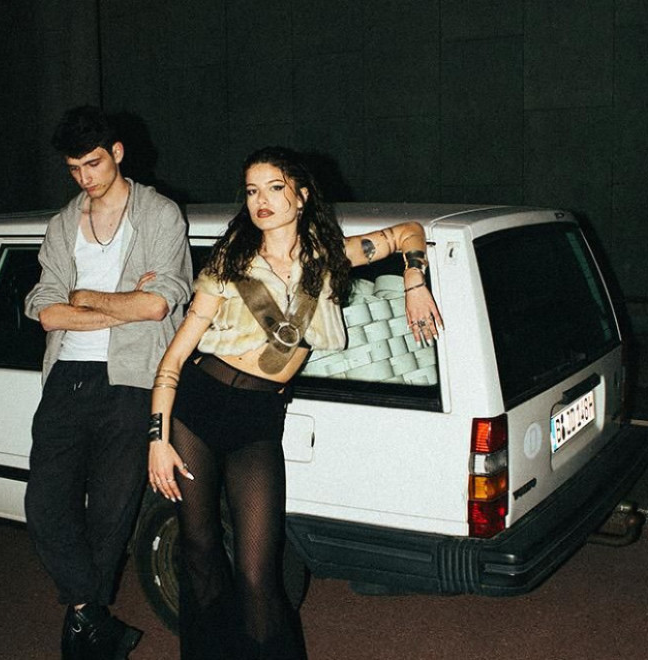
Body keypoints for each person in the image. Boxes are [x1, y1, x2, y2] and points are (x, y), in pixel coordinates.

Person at [147, 146, 442, 659]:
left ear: (301, 197)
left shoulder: (327, 260)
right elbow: (172, 361)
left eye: (274, 188)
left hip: (258, 419)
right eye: (252, 191)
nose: (260, 200)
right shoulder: (229, 265)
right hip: (197, 408)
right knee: (199, 548)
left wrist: (414, 281)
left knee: (258, 571)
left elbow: (408, 232)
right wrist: (157, 440)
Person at [23, 105, 192, 660]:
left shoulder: (159, 214)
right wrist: (124, 305)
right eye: (74, 169)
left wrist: (85, 298)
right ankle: (90, 614)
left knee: (112, 510)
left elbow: (160, 303)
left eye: (92, 163)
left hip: (132, 378)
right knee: (44, 505)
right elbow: (47, 311)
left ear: (117, 153)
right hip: (67, 375)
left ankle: (86, 628)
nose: (84, 177)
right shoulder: (61, 224)